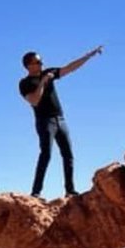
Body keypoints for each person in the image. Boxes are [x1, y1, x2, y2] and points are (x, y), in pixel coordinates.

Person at [18, 45, 103, 197]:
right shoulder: (24, 83)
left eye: (41, 61)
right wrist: (43, 82)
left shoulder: (49, 72)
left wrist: (89, 55)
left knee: (68, 154)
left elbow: (69, 68)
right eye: (38, 62)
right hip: (45, 121)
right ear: (29, 65)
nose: (42, 64)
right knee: (46, 154)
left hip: (60, 119)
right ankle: (36, 192)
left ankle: (70, 190)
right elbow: (35, 101)